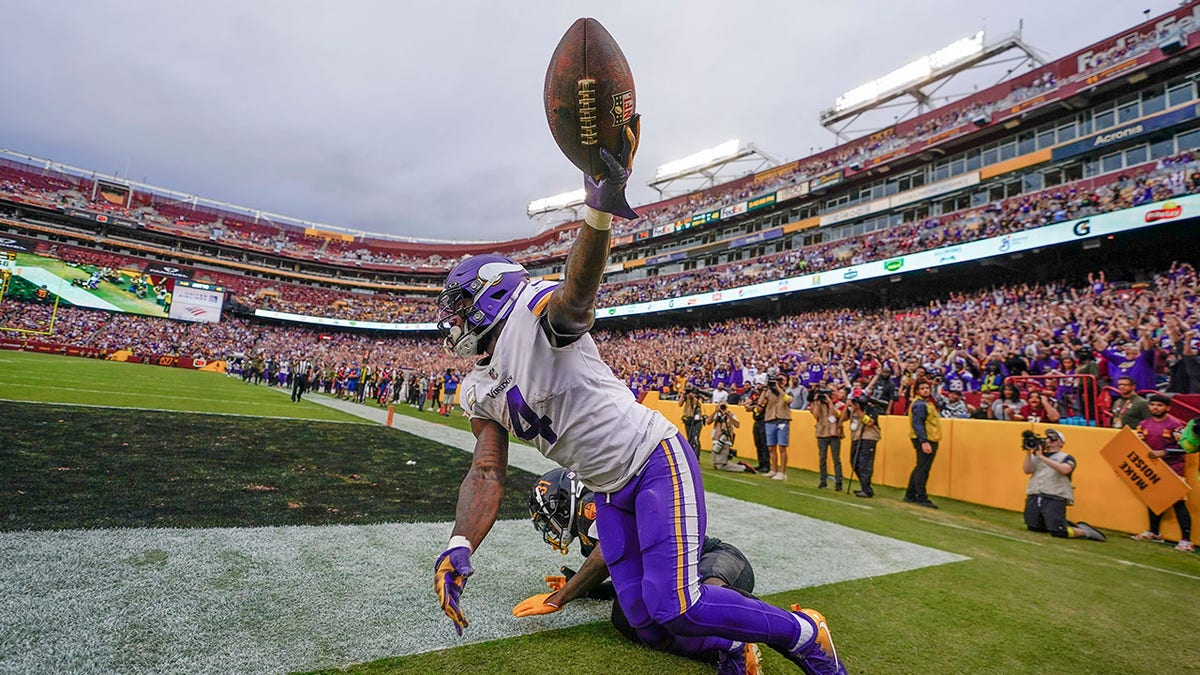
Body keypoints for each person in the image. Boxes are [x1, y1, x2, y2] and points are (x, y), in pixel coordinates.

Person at [432, 121, 845, 675]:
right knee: (644, 619)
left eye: (459, 304)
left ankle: (803, 633)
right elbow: (486, 473)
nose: (451, 320)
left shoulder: (534, 316)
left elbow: (575, 303)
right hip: (607, 487)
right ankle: (728, 649)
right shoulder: (478, 387)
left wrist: (597, 212)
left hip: (651, 460)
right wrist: (460, 542)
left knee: (681, 603)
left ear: (491, 294)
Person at [515, 468, 761, 671]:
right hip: (684, 570)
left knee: (696, 604)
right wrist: (588, 590)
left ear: (566, 502)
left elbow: (606, 555)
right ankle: (725, 647)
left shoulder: (591, 505)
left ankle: (781, 622)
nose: (549, 526)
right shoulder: (592, 519)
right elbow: (630, 575)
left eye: (549, 516)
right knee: (629, 614)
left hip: (715, 559)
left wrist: (562, 596)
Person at [1131, 394, 1193, 552]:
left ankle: (1186, 540)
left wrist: (1164, 452)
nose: (1155, 408)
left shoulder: (1175, 425)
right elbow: (1138, 445)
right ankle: (1153, 532)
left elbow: (1186, 447)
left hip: (1173, 468)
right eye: (1152, 405)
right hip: (1152, 468)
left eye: (1159, 405)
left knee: (1178, 502)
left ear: (1168, 408)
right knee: (1153, 499)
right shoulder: (1143, 424)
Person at [1021, 428, 1106, 541]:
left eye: (1053, 438)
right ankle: (1061, 522)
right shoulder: (1037, 455)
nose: (1049, 440)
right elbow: (1027, 470)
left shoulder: (1065, 457)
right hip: (1035, 494)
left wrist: (1042, 457)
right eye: (1047, 437)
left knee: (1059, 532)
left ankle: (1085, 532)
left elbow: (1065, 470)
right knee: (1034, 527)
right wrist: (1028, 452)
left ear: (1061, 443)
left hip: (1054, 496)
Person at [905, 381, 941, 509]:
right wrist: (924, 441)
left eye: (927, 388)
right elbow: (918, 424)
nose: (926, 390)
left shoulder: (924, 403)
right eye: (923, 388)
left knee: (920, 467)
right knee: (923, 469)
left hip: (926, 438)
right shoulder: (920, 405)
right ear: (917, 391)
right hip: (926, 439)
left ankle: (910, 494)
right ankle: (921, 496)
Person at [841, 395, 882, 498]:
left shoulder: (871, 409)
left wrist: (859, 411)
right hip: (856, 437)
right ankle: (865, 486)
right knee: (854, 463)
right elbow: (842, 419)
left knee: (865, 464)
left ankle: (866, 490)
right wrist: (847, 406)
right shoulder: (852, 410)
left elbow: (870, 422)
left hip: (868, 438)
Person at [762, 375, 795, 481]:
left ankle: (783, 472)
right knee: (771, 447)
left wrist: (779, 388)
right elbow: (761, 402)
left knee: (782, 446)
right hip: (770, 419)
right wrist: (765, 388)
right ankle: (774, 470)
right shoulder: (770, 391)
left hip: (782, 420)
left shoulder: (787, 391)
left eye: (781, 380)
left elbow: (788, 400)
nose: (779, 382)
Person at [810, 387, 843, 490]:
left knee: (836, 459)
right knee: (822, 458)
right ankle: (823, 481)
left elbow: (836, 415)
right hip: (822, 433)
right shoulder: (820, 404)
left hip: (834, 434)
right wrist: (816, 402)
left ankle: (838, 482)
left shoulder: (840, 405)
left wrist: (829, 402)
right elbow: (816, 416)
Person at [707, 403, 754, 473]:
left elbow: (737, 425)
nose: (722, 408)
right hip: (716, 441)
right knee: (715, 465)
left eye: (723, 406)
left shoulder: (731, 415)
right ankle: (738, 465)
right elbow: (708, 422)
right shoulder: (717, 415)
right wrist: (715, 411)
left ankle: (743, 468)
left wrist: (728, 415)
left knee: (721, 466)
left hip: (724, 441)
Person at [680, 389, 705, 455]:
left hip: (697, 420)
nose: (689, 394)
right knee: (689, 438)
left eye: (691, 393)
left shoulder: (697, 400)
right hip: (688, 419)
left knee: (695, 438)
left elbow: (696, 407)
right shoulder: (686, 398)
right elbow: (680, 404)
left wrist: (693, 398)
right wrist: (682, 395)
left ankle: (696, 456)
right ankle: (690, 455)